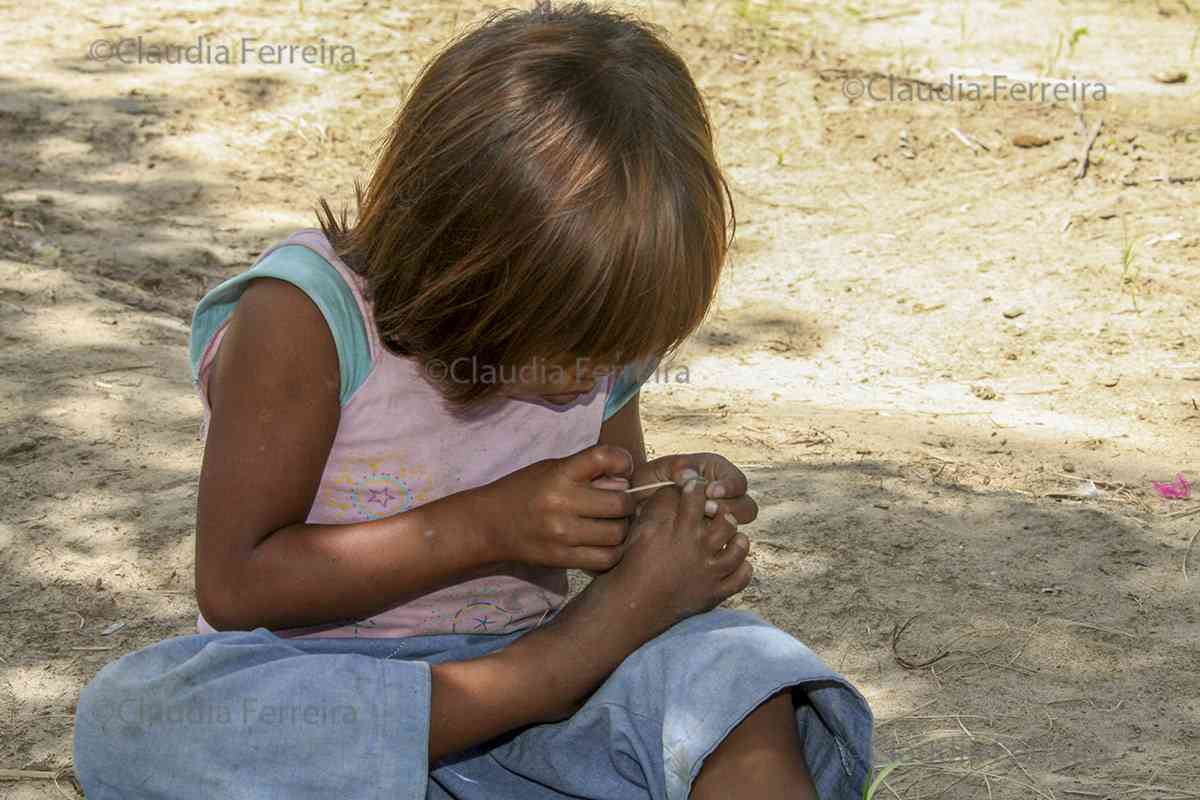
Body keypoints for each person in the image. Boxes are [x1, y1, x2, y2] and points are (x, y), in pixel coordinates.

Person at [73, 3, 873, 797]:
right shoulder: (306, 318)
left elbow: (605, 506)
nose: (587, 379)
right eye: (568, 350)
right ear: (458, 260)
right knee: (138, 716)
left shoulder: (593, 338)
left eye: (614, 352)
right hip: (325, 693)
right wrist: (492, 526)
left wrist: (660, 516)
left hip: (531, 707)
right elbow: (236, 585)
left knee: (741, 670)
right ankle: (543, 679)